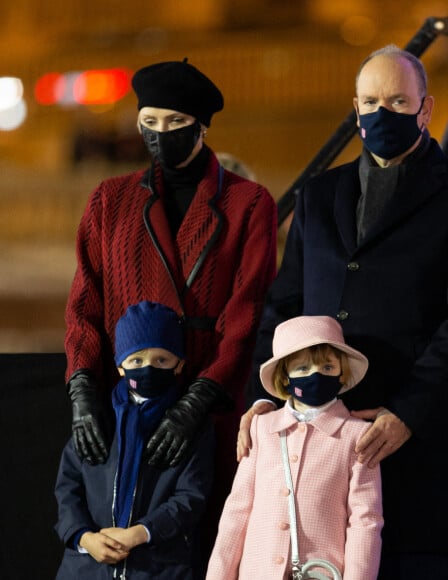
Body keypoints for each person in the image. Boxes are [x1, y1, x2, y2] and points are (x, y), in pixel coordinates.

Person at [240, 44, 448, 580]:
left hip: (411, 438)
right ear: (355, 108)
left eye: (396, 101)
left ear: (426, 109)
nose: (380, 113)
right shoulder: (319, 196)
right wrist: (261, 393)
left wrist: (408, 411)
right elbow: (284, 306)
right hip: (316, 440)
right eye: (369, 102)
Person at [63, 58, 277, 560]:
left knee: (203, 531)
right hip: (126, 401)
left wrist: (196, 405)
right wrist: (81, 393)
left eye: (176, 123)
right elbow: (84, 306)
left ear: (202, 126)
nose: (160, 135)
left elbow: (246, 314)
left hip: (210, 399)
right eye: (149, 123)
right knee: (118, 533)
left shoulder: (248, 203)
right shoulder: (107, 201)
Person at [207, 315, 382, 579]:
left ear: (341, 371)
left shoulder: (358, 435)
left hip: (321, 572)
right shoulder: (261, 428)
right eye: (302, 368)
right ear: (285, 376)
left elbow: (365, 521)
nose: (315, 375)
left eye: (327, 367)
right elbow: (237, 510)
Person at [55, 301, 214, 580]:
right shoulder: (97, 417)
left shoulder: (194, 428)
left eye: (161, 360)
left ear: (179, 365)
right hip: (85, 569)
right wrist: (84, 537)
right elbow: (68, 487)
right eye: (136, 360)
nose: (148, 369)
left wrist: (141, 533)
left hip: (160, 568)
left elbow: (191, 496)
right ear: (120, 366)